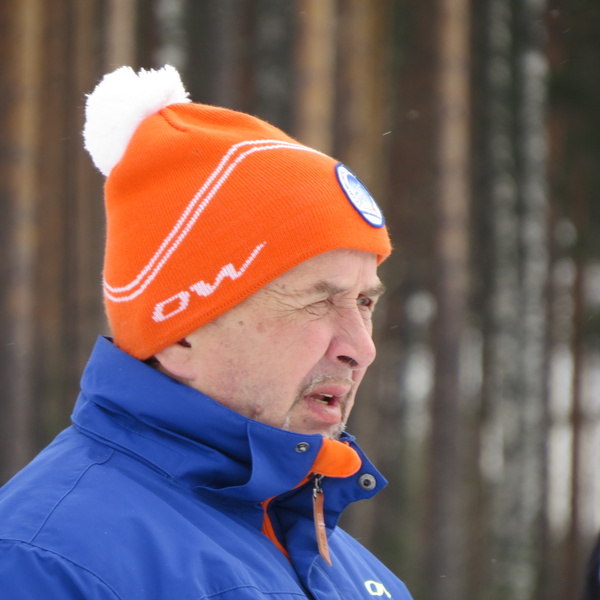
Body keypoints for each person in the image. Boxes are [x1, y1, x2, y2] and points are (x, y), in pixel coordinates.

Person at [0, 65, 413, 599]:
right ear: (181, 332)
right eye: (318, 301)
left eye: (364, 302)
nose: (361, 347)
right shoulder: (47, 561)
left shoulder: (352, 572)